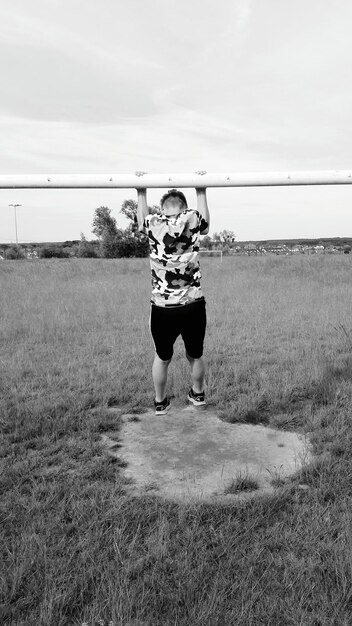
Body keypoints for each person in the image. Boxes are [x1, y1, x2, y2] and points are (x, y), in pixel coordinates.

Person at [137, 186, 210, 414]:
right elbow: (206, 224)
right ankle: (197, 394)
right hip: (192, 305)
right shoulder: (192, 218)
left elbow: (140, 222)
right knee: (195, 355)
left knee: (162, 357)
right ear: (184, 206)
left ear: (161, 208)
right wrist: (201, 189)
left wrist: (140, 191)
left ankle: (160, 402)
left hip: (163, 307)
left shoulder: (153, 223)